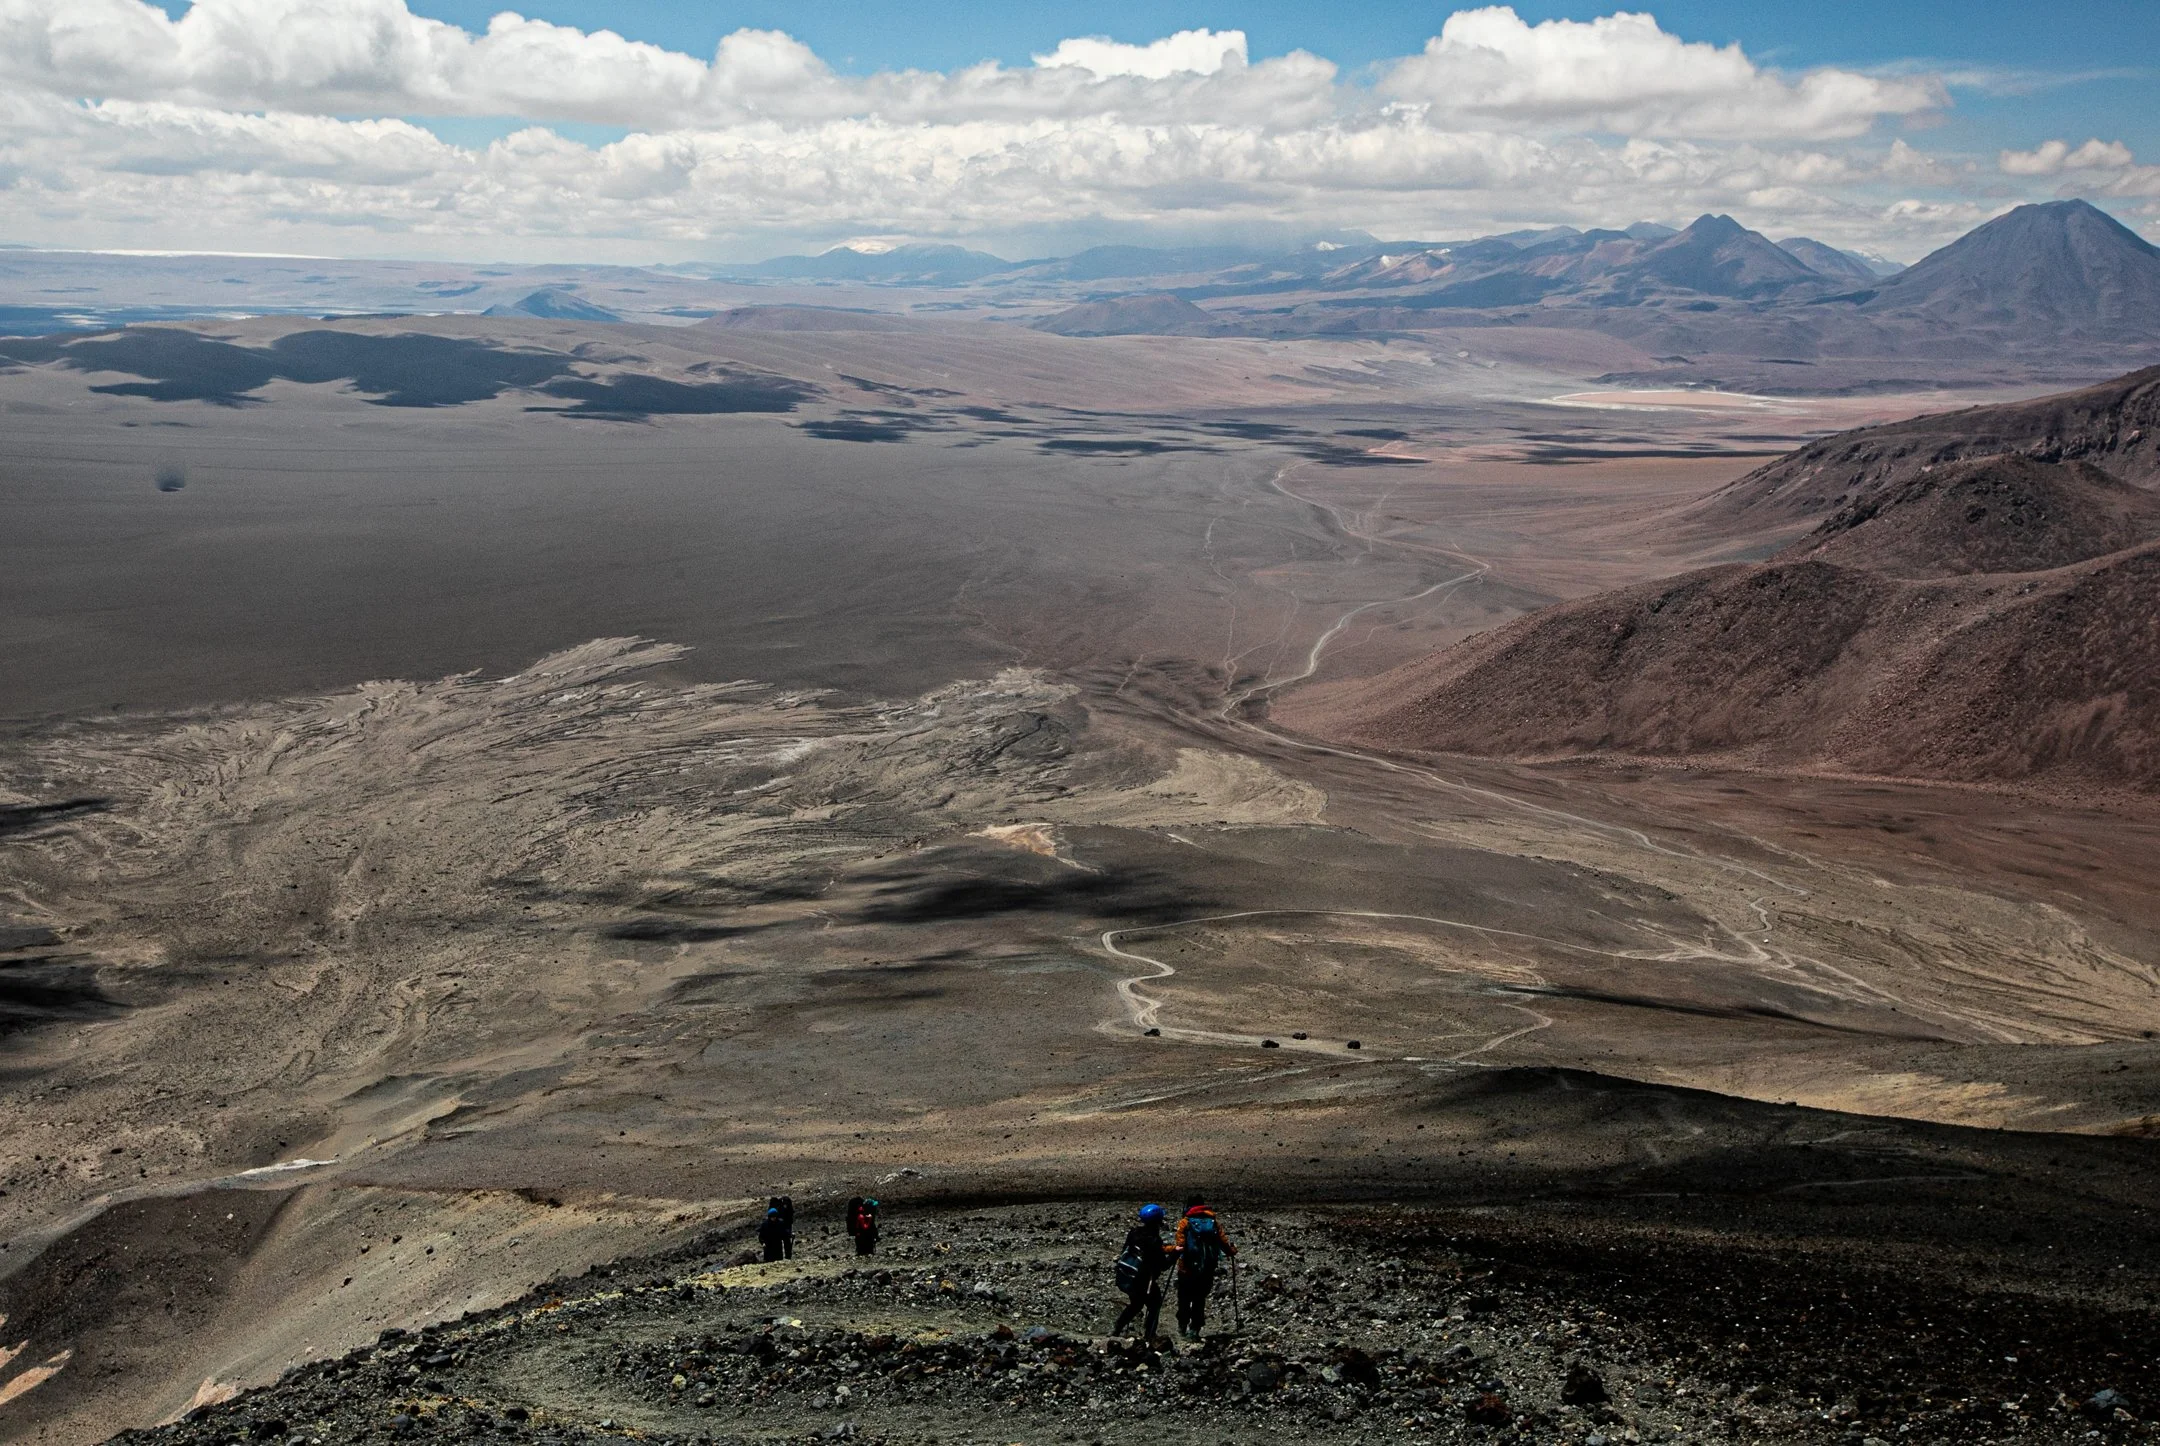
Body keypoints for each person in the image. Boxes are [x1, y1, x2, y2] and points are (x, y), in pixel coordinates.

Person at [1172, 1194, 1236, 1340]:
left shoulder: (1185, 1222)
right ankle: (1195, 1329)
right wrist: (1231, 1251)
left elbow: (1180, 1245)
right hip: (1207, 1267)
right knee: (1199, 1298)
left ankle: (1182, 1324)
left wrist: (1172, 1255)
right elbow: (1223, 1242)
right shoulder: (1213, 1222)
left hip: (1187, 1267)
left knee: (1184, 1297)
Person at [1112, 1202, 1171, 1341]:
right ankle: (1149, 1335)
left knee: (1137, 1304)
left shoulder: (1134, 1233)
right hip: (1143, 1280)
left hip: (1128, 1276)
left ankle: (1117, 1328)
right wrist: (1175, 1254)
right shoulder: (1154, 1240)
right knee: (1155, 1303)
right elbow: (1163, 1265)